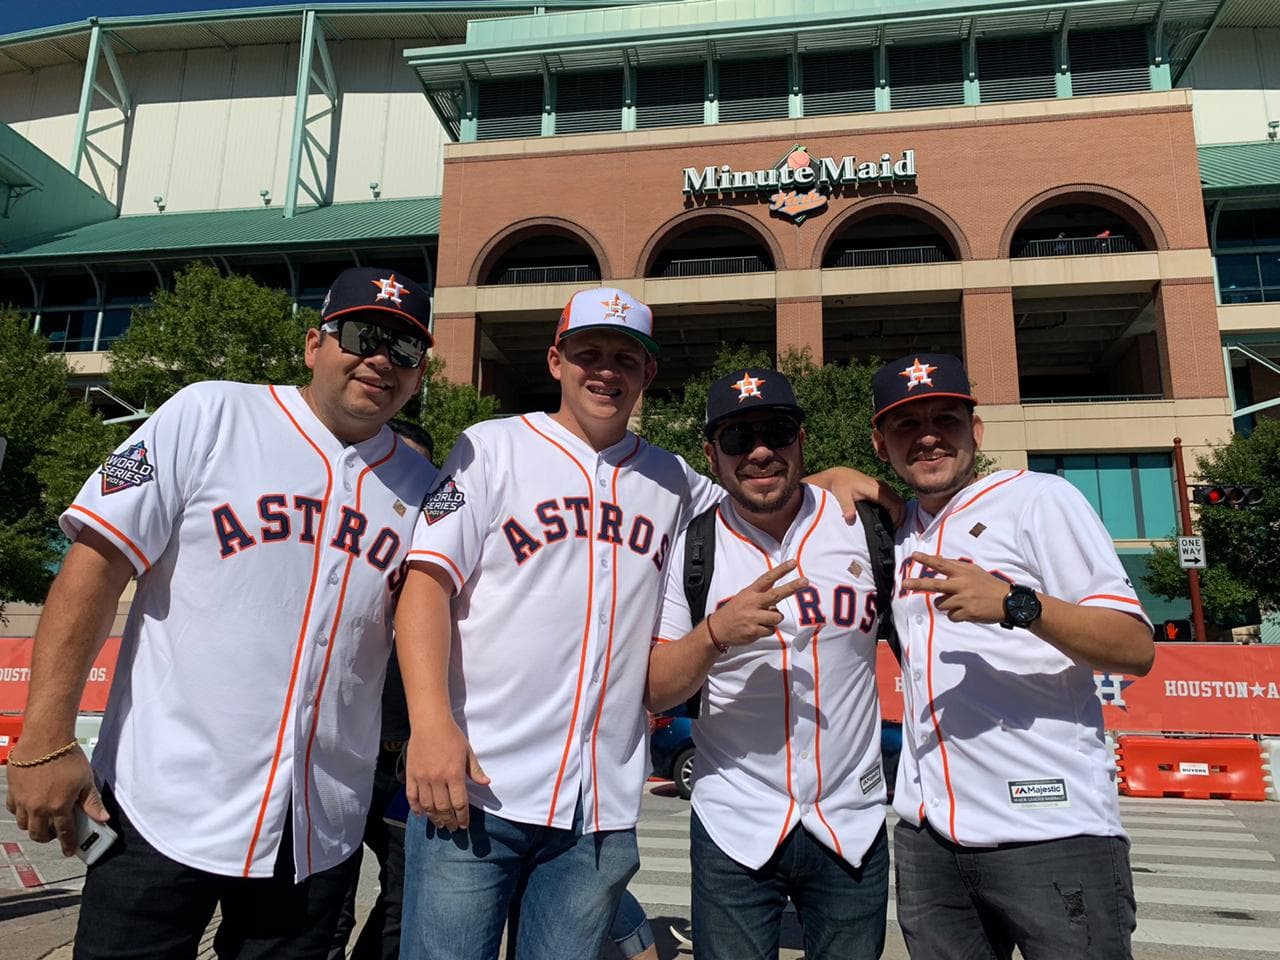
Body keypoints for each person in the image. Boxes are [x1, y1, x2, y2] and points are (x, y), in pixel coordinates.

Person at [393, 289, 884, 960]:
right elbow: (425, 585)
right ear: (556, 360)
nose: (606, 370)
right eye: (588, 353)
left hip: (596, 812)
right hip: (479, 787)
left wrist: (828, 475)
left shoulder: (674, 479)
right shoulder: (491, 447)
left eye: (625, 357)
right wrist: (430, 726)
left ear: (647, 373)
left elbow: (760, 488)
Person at [5, 267, 438, 960]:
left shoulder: (428, 490)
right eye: (364, 335)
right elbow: (94, 562)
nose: (382, 359)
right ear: (313, 344)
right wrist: (46, 737)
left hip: (315, 821)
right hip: (162, 797)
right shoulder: (208, 413)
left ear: (419, 374)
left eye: (406, 349)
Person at [868, 353, 1156, 960]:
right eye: (904, 425)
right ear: (881, 442)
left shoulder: (1038, 499)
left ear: (975, 431)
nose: (926, 436)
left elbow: (1134, 647)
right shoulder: (899, 533)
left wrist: (1017, 605)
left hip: (1050, 828)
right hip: (930, 836)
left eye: (944, 419)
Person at [647, 368, 889, 960]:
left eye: (776, 431)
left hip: (850, 821)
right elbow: (655, 690)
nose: (759, 451)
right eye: (736, 439)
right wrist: (713, 635)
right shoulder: (691, 548)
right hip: (736, 819)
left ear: (802, 439)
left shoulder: (867, 527)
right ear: (712, 454)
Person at [327, 419, 435, 960]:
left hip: (403, 764)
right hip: (343, 756)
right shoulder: (346, 555)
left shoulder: (443, 569)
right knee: (328, 899)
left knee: (405, 894)